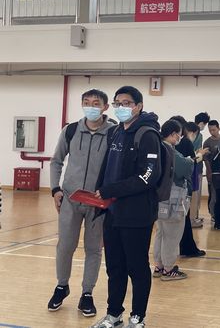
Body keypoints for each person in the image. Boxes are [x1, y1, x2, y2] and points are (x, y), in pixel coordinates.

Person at [91, 86, 162, 328]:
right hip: (112, 213)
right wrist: (100, 195)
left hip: (137, 214)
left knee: (137, 268)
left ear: (138, 106)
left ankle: (138, 316)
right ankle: (114, 314)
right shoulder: (114, 133)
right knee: (115, 267)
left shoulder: (147, 134)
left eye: (127, 103)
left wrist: (112, 190)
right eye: (118, 103)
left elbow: (148, 176)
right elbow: (107, 168)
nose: (122, 107)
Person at [48, 89, 115, 317]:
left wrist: (111, 195)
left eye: (96, 103)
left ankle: (87, 293)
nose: (91, 107)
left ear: (105, 107)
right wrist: (55, 189)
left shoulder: (114, 132)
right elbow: (56, 161)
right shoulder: (71, 130)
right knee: (65, 246)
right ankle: (61, 286)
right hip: (70, 199)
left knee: (94, 249)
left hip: (98, 202)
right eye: (86, 102)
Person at [152, 120, 193, 281]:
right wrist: (192, 160)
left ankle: (159, 266)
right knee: (172, 234)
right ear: (174, 134)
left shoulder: (156, 147)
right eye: (179, 135)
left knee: (161, 233)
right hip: (172, 198)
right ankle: (168, 269)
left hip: (159, 197)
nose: (179, 138)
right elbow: (184, 168)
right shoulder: (169, 150)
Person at [170, 117, 204, 258]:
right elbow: (191, 164)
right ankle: (186, 249)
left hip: (166, 187)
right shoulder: (184, 142)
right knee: (183, 219)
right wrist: (199, 155)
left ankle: (168, 255)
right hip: (180, 187)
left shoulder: (163, 144)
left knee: (166, 224)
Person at [191, 112, 210, 226]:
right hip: (194, 166)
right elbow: (196, 151)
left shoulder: (197, 134)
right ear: (202, 123)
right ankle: (193, 218)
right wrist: (201, 153)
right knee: (195, 194)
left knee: (196, 195)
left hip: (196, 166)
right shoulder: (196, 134)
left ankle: (195, 216)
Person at [203, 120, 220, 220]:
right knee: (213, 194)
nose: (212, 132)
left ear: (219, 128)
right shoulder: (207, 142)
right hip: (212, 171)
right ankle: (213, 214)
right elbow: (206, 160)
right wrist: (209, 172)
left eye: (214, 130)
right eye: (210, 130)